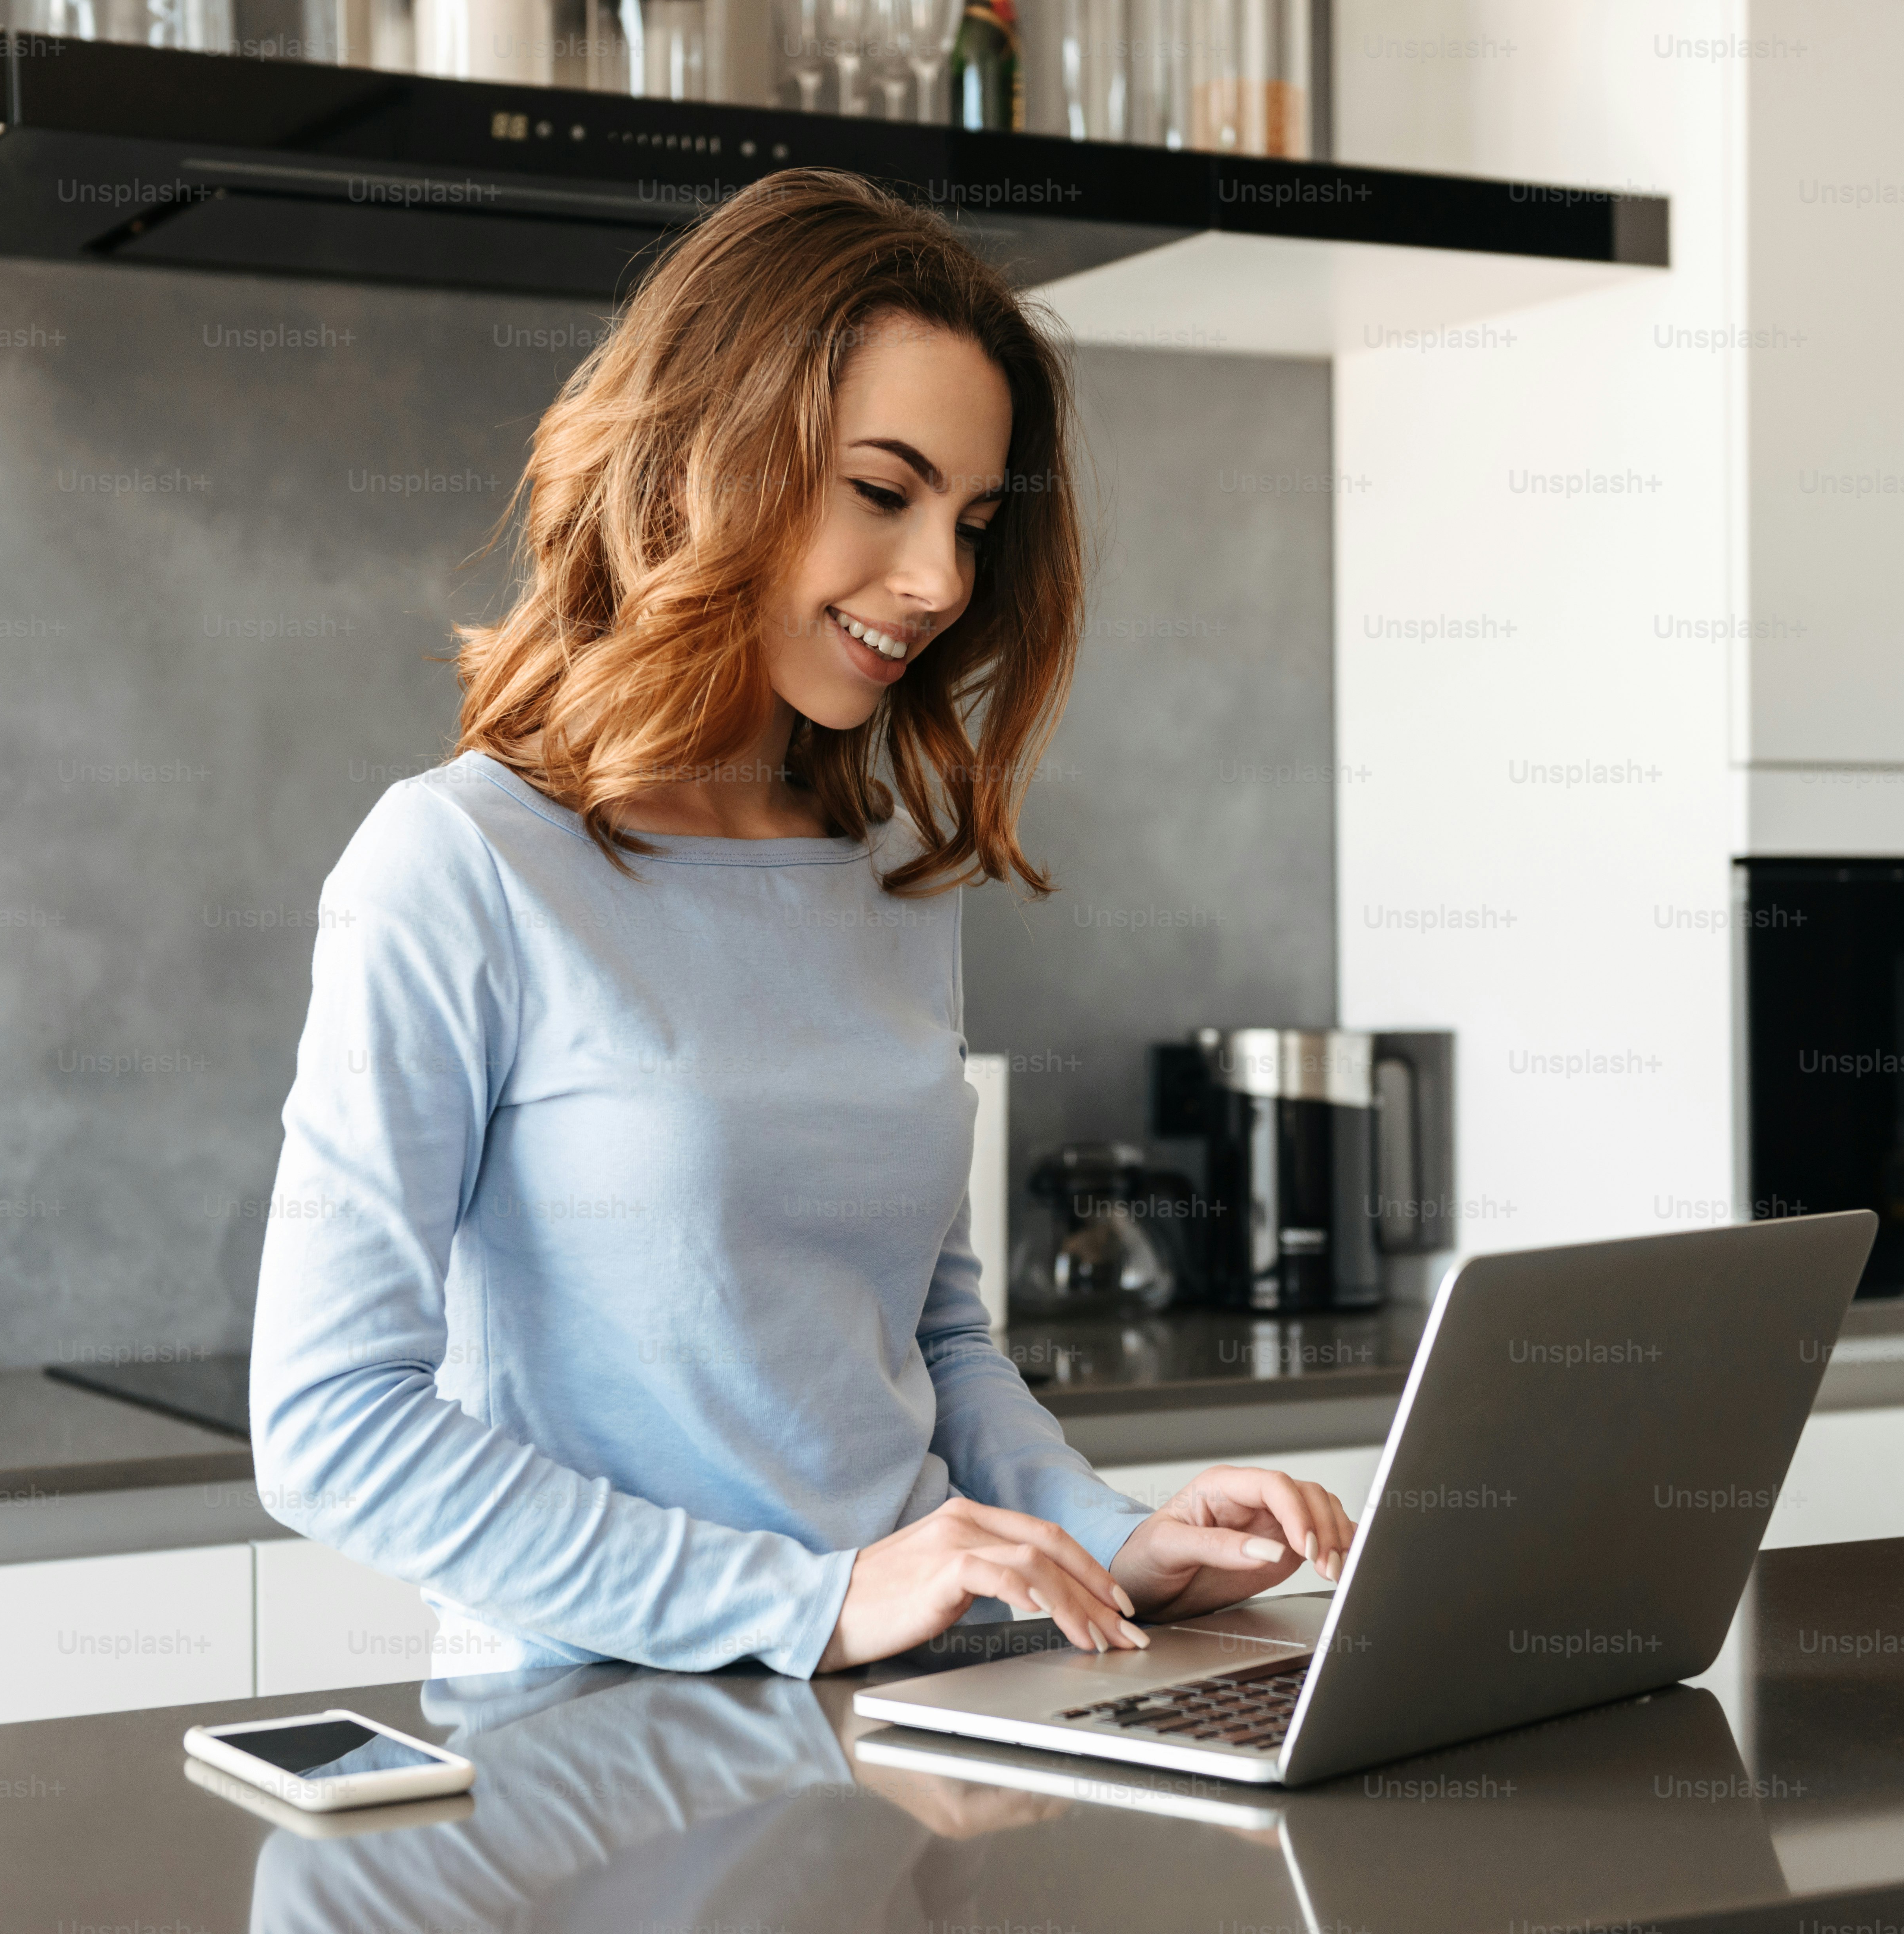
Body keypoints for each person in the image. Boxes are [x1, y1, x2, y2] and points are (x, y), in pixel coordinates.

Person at [250, 168, 1354, 1681]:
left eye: (972, 521)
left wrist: (1114, 1542)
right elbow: (329, 1425)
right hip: (599, 1757)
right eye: (884, 494)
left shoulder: (885, 868)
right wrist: (809, 1606)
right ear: (706, 462)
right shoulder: (458, 864)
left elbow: (937, 1343)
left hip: (936, 1721)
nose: (941, 582)